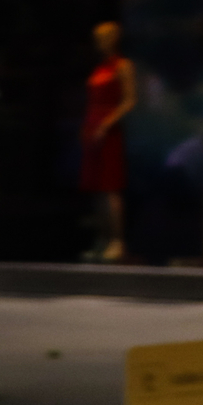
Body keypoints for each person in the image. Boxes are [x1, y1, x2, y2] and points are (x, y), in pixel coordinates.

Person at [79, 21, 136, 262]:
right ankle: (101, 238)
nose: (100, 42)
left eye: (104, 37)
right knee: (95, 189)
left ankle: (117, 240)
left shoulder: (122, 66)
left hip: (108, 129)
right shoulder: (98, 68)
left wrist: (107, 123)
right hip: (93, 127)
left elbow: (129, 100)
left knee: (110, 186)